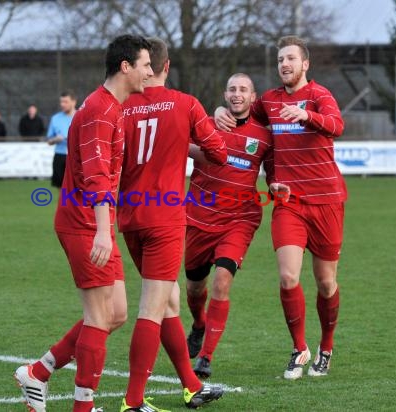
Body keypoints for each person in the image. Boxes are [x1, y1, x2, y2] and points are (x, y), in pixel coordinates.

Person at [14, 35, 153, 412]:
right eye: (145, 64)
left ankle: (38, 373)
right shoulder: (98, 111)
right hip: (84, 223)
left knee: (117, 314)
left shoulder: (112, 106)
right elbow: (96, 178)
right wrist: (104, 231)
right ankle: (83, 407)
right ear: (126, 67)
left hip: (93, 222)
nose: (150, 71)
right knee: (98, 317)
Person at [215, 35, 346, 380]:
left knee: (325, 283)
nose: (284, 64)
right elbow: (245, 113)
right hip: (288, 203)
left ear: (305, 64)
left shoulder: (319, 96)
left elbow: (337, 126)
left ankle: (326, 347)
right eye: (280, 60)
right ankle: (299, 348)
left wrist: (307, 116)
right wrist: (220, 111)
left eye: (290, 59)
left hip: (327, 201)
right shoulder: (270, 101)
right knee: (288, 276)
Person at [117, 37, 226, 412]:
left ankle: (192, 386)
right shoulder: (185, 103)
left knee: (169, 303)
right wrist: (186, 146)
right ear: (167, 66)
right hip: (164, 218)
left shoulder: (121, 106)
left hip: (129, 215)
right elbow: (219, 154)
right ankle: (133, 401)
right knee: (152, 307)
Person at [184, 73, 274, 379]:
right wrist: (204, 151)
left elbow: (273, 173)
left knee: (222, 281)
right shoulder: (206, 125)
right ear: (225, 95)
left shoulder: (263, 135)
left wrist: (279, 187)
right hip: (199, 216)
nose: (237, 94)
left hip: (240, 218)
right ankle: (198, 324)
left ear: (253, 97)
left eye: (243, 90)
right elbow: (183, 143)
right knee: (195, 288)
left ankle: (206, 357)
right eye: (233, 89)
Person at [46, 90, 77, 188]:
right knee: (60, 187)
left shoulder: (81, 116)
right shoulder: (55, 118)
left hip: (76, 156)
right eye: (61, 102)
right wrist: (56, 139)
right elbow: (49, 141)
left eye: (65, 102)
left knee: (77, 187)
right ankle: (62, 204)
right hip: (60, 156)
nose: (62, 104)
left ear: (73, 102)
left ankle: (75, 203)